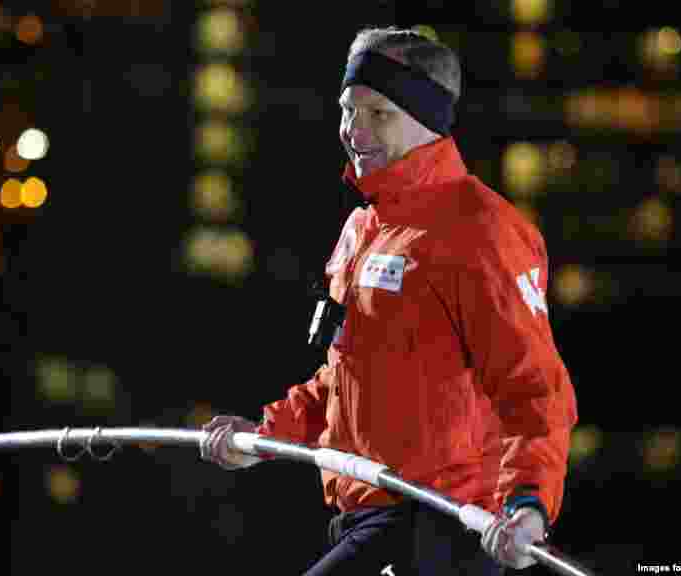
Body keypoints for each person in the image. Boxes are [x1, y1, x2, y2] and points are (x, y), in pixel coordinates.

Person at [201, 26, 578, 575]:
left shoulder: (480, 230)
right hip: (367, 516)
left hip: (441, 524)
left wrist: (528, 506)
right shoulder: (363, 228)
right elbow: (345, 377)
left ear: (427, 120)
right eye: (348, 110)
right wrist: (263, 437)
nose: (355, 130)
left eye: (379, 113)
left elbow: (534, 385)